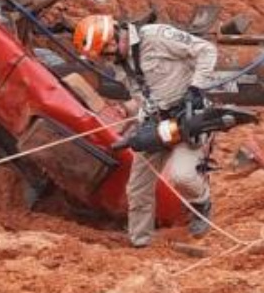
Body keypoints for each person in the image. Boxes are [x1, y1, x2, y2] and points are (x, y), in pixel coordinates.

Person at [73, 14, 218, 248]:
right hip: (155, 122)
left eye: (105, 54)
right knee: (138, 186)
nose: (106, 60)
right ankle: (140, 241)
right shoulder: (120, 63)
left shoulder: (156, 36)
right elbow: (141, 97)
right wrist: (129, 117)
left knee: (182, 176)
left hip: (188, 118)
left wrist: (196, 88)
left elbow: (207, 50)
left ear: (113, 39)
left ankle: (202, 202)